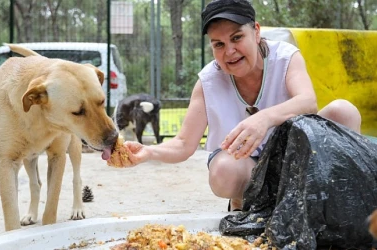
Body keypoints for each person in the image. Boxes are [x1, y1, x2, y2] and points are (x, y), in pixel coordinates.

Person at [107, 0, 362, 211]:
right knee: (223, 170)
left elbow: (308, 102)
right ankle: (245, 206)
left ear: (257, 31)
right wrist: (149, 152)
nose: (229, 51)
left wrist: (264, 119)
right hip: (248, 168)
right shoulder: (208, 81)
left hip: (295, 160)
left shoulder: (285, 57)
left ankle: (338, 205)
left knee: (343, 111)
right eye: (219, 44)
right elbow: (184, 143)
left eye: (237, 37)